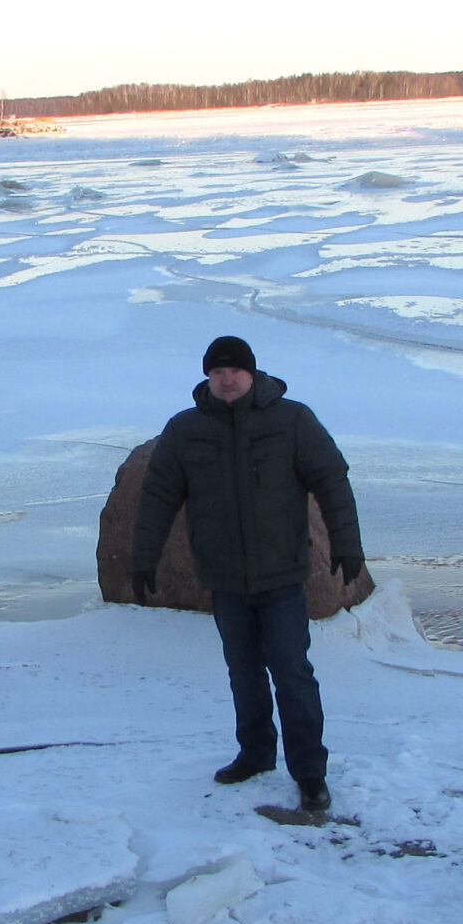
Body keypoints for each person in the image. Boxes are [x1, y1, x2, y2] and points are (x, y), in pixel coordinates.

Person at [129, 335, 364, 814]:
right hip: (225, 579)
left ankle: (310, 773)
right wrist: (142, 559)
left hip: (281, 576)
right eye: (217, 372)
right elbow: (158, 498)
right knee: (243, 672)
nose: (227, 379)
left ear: (252, 373)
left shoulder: (292, 420)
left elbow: (332, 480)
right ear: (207, 377)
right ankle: (255, 754)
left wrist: (347, 545)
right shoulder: (186, 429)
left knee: (292, 673)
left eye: (235, 370)